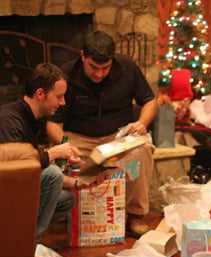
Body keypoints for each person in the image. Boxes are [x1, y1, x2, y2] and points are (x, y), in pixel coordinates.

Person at [47, 31, 157, 237]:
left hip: (118, 137)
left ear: (112, 60)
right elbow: (53, 123)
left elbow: (150, 100)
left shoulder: (128, 68)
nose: (99, 74)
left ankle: (135, 216)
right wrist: (64, 145)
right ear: (82, 56)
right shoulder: (67, 75)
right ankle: (72, 214)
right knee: (65, 161)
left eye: (104, 68)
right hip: (79, 138)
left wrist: (141, 123)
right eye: (93, 67)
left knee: (142, 150)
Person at [0, 63, 101, 243]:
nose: (63, 103)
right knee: (53, 173)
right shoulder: (9, 120)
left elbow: (34, 174)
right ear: (40, 94)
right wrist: (53, 153)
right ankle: (29, 246)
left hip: (17, 193)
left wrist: (79, 183)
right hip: (6, 196)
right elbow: (15, 171)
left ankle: (22, 238)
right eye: (59, 97)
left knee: (67, 199)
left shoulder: (34, 120)